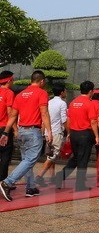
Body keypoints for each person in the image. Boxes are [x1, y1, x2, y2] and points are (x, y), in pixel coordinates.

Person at [0, 70, 52, 201]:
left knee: (26, 160)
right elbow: (44, 113)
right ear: (42, 81)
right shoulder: (42, 93)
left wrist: (6, 132)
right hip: (33, 131)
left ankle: (30, 187)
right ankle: (7, 182)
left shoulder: (20, 94)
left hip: (22, 130)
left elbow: (12, 116)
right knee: (30, 160)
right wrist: (49, 131)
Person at [55, 80, 99, 191]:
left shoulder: (73, 102)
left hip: (74, 133)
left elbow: (68, 118)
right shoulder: (89, 103)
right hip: (84, 134)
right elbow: (93, 121)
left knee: (76, 158)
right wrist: (97, 136)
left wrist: (69, 132)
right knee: (83, 160)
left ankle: (60, 177)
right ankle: (80, 185)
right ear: (91, 91)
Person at [35, 83, 68, 187]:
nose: (65, 92)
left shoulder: (49, 102)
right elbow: (64, 120)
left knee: (51, 154)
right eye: (65, 91)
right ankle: (39, 176)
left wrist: (43, 131)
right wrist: (69, 131)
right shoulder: (62, 104)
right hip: (56, 132)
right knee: (53, 156)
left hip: (47, 132)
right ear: (62, 92)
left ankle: (52, 177)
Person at [0, 71, 16, 182]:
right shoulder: (9, 93)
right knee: (5, 155)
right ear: (9, 80)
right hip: (4, 128)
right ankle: (3, 182)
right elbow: (10, 113)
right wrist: (15, 129)